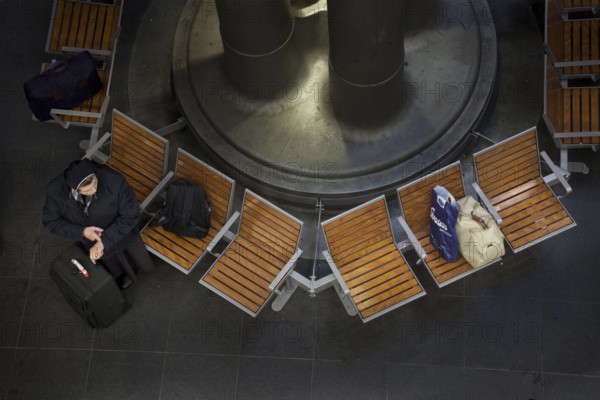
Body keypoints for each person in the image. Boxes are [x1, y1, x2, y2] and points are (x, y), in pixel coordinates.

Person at [42, 158, 155, 289]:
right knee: (112, 265)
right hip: (91, 242)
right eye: (88, 190)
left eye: (95, 183)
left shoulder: (114, 180)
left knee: (144, 264)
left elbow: (130, 215)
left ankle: (132, 270)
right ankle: (120, 274)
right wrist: (82, 231)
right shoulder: (55, 191)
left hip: (123, 232)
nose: (94, 190)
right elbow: (50, 221)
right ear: (75, 190)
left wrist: (103, 241)